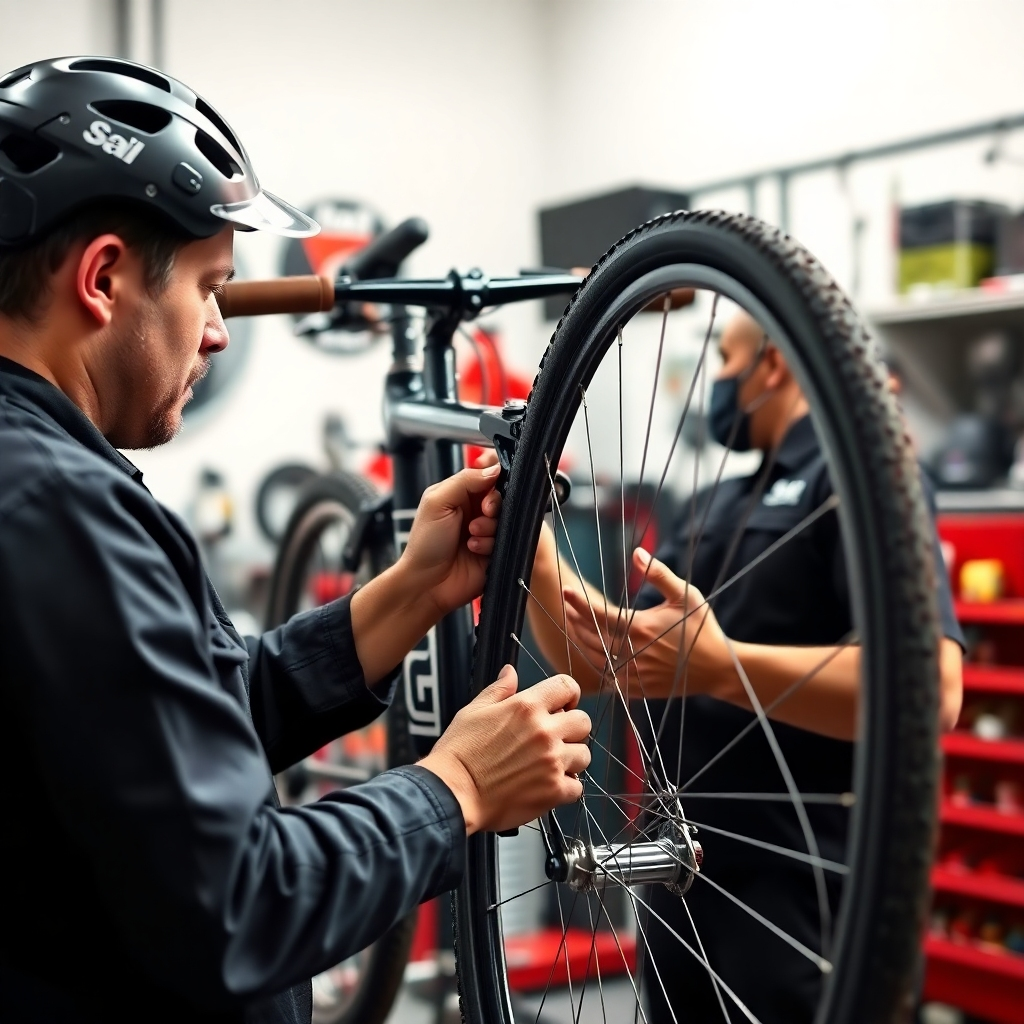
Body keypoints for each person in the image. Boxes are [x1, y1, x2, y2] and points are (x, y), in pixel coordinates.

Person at [0, 57, 591, 1024]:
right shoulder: (59, 510)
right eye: (209, 289)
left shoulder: (40, 479)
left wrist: (409, 592)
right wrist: (456, 789)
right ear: (103, 279)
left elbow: (173, 728)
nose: (219, 333)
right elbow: (238, 906)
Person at [524, 309, 964, 1023]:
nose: (716, 383)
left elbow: (932, 691)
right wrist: (535, 550)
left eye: (724, 361)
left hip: (806, 898)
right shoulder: (708, 504)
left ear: (774, 364)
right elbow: (604, 663)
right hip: (678, 881)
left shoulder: (865, 479)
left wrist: (724, 668)